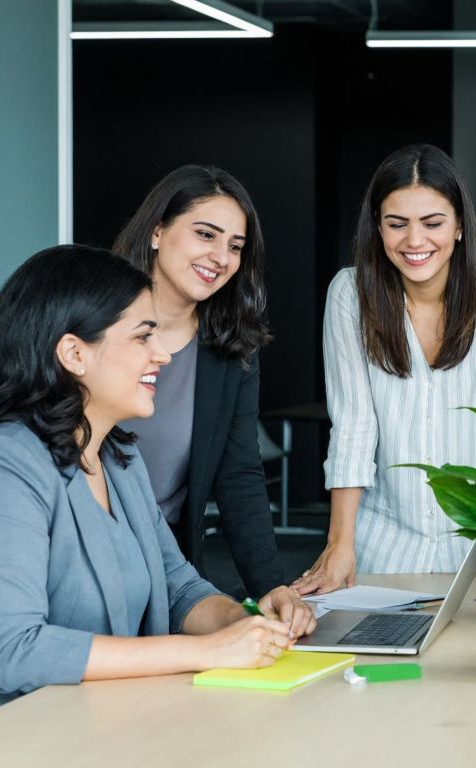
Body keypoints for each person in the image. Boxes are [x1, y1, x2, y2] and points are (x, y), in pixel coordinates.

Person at [0, 246, 315, 740]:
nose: (163, 354)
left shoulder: (117, 458)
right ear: (74, 353)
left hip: (86, 728)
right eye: (143, 336)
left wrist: (247, 626)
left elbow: (178, 588)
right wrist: (205, 651)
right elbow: (12, 650)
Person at [293, 143, 476, 591]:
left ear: (460, 225)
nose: (415, 241)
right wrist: (339, 543)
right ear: (378, 228)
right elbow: (353, 426)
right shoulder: (350, 293)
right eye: (397, 224)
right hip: (380, 543)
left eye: (433, 223)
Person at [110, 165, 284, 599]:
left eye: (235, 246)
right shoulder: (89, 320)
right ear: (156, 231)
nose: (221, 257)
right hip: (74, 554)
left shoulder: (232, 347)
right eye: (205, 235)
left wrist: (273, 589)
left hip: (165, 568)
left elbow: (239, 475)